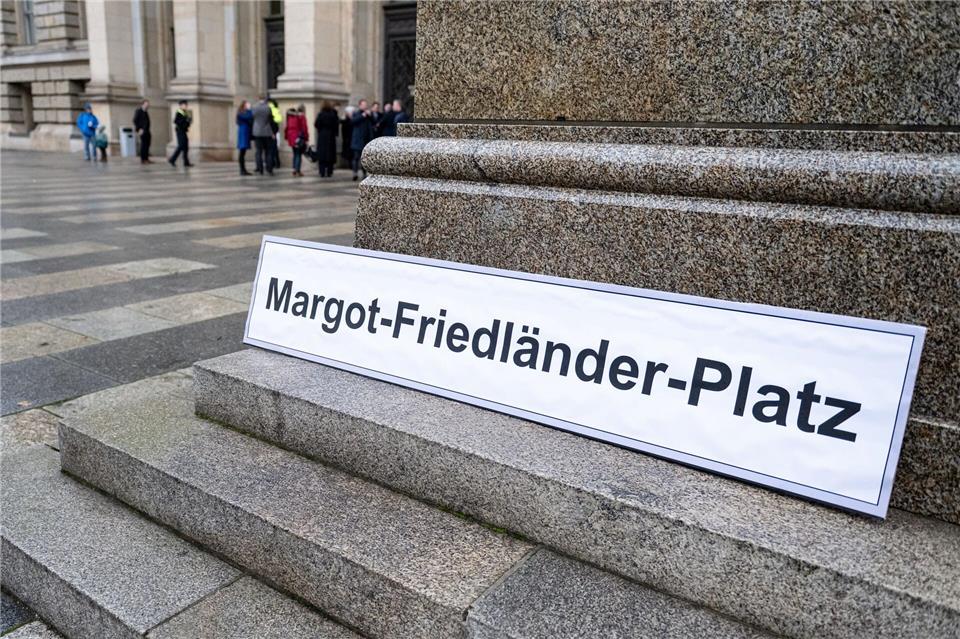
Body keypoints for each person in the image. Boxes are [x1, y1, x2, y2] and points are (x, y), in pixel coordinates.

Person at [350, 99, 374, 181]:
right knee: (356, 157)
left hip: (366, 139)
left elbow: (374, 122)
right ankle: (355, 173)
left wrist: (370, 115)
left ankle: (364, 173)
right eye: (363, 105)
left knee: (364, 158)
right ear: (360, 105)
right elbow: (353, 121)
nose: (365, 106)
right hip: (357, 139)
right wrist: (363, 115)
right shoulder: (356, 113)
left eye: (366, 105)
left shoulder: (368, 114)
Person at [314, 101, 339, 178]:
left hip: (322, 135)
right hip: (330, 136)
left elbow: (316, 124)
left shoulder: (320, 114)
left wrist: (320, 130)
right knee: (330, 154)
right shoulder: (332, 115)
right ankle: (329, 172)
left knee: (322, 154)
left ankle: (322, 172)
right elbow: (336, 124)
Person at [251, 96, 274, 175]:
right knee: (268, 151)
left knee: (258, 151)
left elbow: (252, 117)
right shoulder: (268, 107)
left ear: (258, 99)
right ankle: (269, 168)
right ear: (265, 99)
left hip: (257, 132)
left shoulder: (254, 107)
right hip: (267, 132)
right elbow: (271, 118)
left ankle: (260, 168)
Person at [284, 104, 308, 177]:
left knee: (295, 154)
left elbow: (287, 128)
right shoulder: (301, 117)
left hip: (292, 138)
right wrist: (306, 138)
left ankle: (294, 169)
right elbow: (304, 128)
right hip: (298, 138)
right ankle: (297, 170)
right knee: (298, 154)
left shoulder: (291, 117)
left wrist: (287, 137)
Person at [168, 100, 193, 167]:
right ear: (181, 105)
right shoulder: (179, 112)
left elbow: (187, 123)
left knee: (185, 147)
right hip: (180, 131)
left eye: (186, 105)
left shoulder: (185, 113)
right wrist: (185, 120)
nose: (186, 106)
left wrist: (188, 121)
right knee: (181, 146)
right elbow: (176, 121)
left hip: (184, 131)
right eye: (185, 105)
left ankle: (186, 162)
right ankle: (172, 159)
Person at [236, 100, 253, 176]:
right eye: (247, 104)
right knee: (242, 152)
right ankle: (242, 169)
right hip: (244, 133)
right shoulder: (241, 113)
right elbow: (249, 116)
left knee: (243, 152)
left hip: (245, 132)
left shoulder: (241, 113)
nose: (249, 106)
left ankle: (243, 169)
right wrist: (249, 110)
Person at [133, 99, 152, 164]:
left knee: (147, 144)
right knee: (143, 145)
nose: (148, 105)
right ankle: (143, 159)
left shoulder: (145, 112)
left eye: (148, 104)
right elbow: (135, 120)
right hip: (142, 130)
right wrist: (139, 129)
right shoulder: (139, 111)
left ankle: (146, 158)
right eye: (146, 104)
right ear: (143, 104)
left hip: (147, 130)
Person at [340, 105, 355, 169]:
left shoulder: (354, 119)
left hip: (352, 138)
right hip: (347, 138)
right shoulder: (345, 120)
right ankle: (350, 165)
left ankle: (352, 165)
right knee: (349, 153)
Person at [269, 98, 282, 169]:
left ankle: (274, 163)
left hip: (271, 131)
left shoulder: (271, 110)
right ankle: (276, 162)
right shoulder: (276, 110)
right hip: (275, 131)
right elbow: (278, 120)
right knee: (274, 148)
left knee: (272, 148)